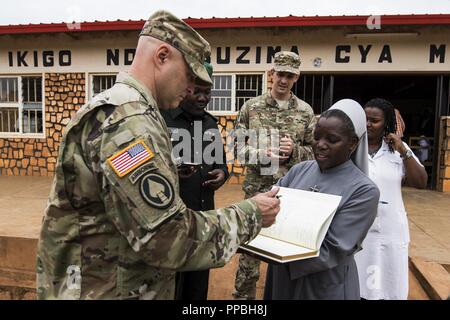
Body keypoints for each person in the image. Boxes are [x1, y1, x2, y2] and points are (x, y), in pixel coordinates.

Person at [36, 10, 281, 300]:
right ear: (162, 56)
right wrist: (251, 213)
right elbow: (168, 238)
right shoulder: (130, 121)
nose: (192, 89)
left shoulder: (127, 110)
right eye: (190, 75)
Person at [264, 99, 380, 300]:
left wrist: (270, 252)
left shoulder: (364, 191)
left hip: (323, 283)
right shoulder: (299, 170)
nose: (321, 145)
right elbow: (271, 208)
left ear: (352, 143)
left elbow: (334, 247)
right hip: (282, 278)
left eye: (332, 140)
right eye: (317, 137)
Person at [233, 51, 316, 300]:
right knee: (249, 252)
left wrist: (294, 152)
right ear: (272, 74)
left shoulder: (305, 112)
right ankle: (243, 300)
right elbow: (235, 147)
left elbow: (316, 152)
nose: (283, 80)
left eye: (289, 76)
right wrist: (262, 154)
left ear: (296, 78)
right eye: (280, 74)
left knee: (287, 253)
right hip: (256, 192)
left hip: (291, 194)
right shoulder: (251, 108)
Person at [161, 62, 228, 300]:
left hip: (204, 220)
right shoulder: (163, 121)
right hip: (173, 221)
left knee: (198, 284)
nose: (203, 98)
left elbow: (220, 163)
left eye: (207, 93)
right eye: (197, 91)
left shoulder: (209, 124)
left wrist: (221, 174)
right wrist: (173, 173)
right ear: (185, 88)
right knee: (171, 283)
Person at [355, 98, 427, 300]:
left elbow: (420, 181)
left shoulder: (398, 150)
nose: (368, 124)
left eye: (374, 120)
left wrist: (404, 151)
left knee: (389, 284)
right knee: (360, 285)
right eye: (365, 119)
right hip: (361, 229)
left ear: (386, 123)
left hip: (391, 229)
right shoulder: (353, 149)